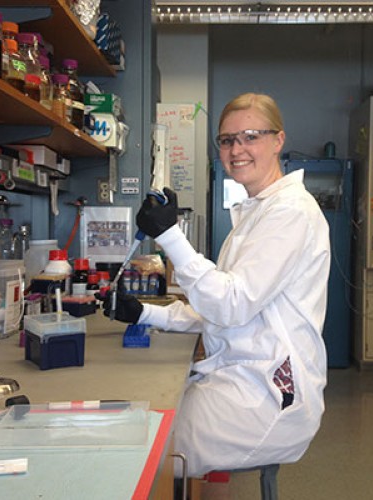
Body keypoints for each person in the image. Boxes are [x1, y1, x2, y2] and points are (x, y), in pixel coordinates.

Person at [110, 92, 330, 478]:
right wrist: (146, 313)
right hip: (239, 378)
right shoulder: (256, 211)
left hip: (267, 398)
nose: (236, 149)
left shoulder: (290, 212)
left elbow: (231, 305)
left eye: (250, 136)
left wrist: (171, 235)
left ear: (278, 140)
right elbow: (221, 311)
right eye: (227, 140)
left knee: (138, 455)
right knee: (139, 419)